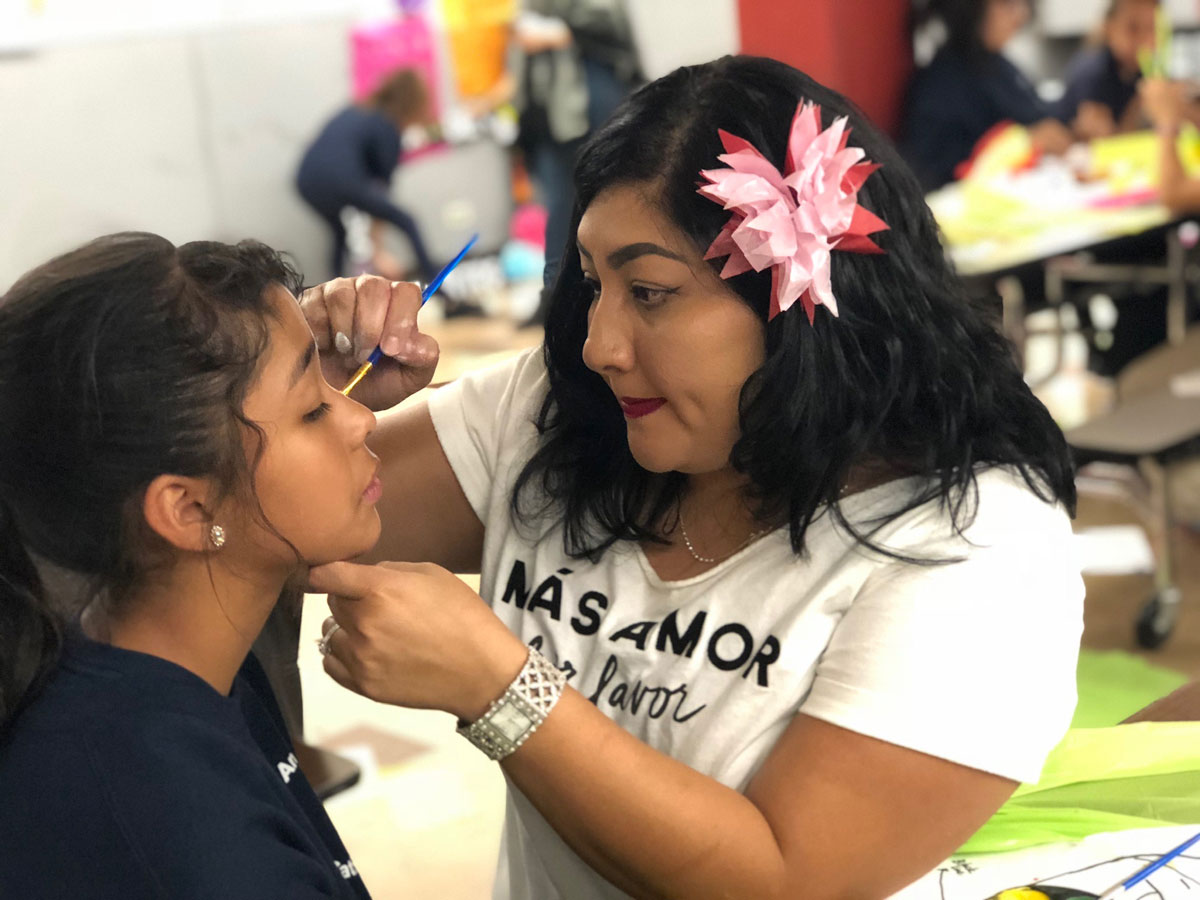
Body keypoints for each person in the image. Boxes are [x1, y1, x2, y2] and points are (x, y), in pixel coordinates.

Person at [300, 55, 1085, 899]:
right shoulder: (560, 414)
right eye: (594, 284)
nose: (600, 345)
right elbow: (280, 519)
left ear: (801, 298)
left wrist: (501, 691)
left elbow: (780, 882)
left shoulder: (975, 547)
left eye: (649, 292)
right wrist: (309, 396)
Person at [0, 233, 399, 897]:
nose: (363, 419)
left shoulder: (168, 670)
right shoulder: (194, 842)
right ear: (187, 509)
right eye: (312, 409)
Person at [903, 0, 1075, 190]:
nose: (1021, 15)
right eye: (1007, 4)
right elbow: (941, 169)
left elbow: (1035, 113)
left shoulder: (997, 63)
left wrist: (1073, 120)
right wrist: (1024, 144)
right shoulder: (942, 84)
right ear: (970, 9)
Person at [296, 68, 440, 283]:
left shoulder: (356, 108)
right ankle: (438, 286)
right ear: (413, 103)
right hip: (341, 180)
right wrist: (378, 251)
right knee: (407, 221)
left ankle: (333, 292)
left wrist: (375, 249)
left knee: (339, 232)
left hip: (306, 180)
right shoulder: (388, 127)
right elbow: (381, 194)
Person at [1055, 0, 1159, 141]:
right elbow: (1106, 140)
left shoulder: (1144, 72)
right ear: (1109, 28)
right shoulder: (1093, 72)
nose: (1145, 39)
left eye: (1152, 28)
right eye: (1133, 28)